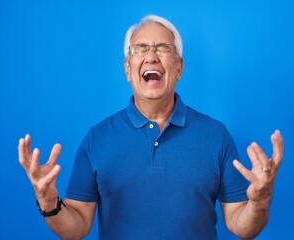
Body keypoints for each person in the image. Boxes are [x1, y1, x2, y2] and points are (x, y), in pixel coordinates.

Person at [18, 15, 284, 239]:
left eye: (163, 48)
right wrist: (49, 202)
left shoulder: (216, 135)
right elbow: (77, 228)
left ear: (179, 68)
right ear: (127, 69)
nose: (151, 56)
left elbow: (241, 225)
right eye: (140, 48)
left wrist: (260, 201)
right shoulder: (97, 138)